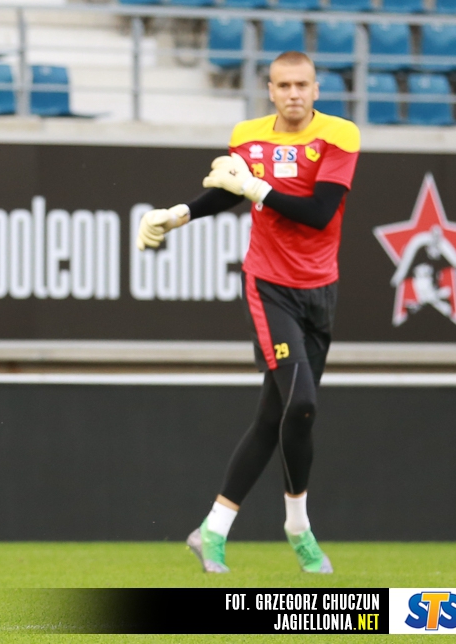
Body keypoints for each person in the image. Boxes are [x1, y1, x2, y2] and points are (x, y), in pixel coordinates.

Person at [137, 51, 360, 574]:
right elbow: (228, 193)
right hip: (269, 285)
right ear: (270, 90)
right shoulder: (248, 136)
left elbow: (319, 212)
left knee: (276, 417)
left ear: (316, 89)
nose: (293, 94)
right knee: (300, 403)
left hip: (321, 288)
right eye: (283, 85)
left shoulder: (340, 136)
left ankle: (212, 530)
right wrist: (179, 214)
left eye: (302, 84)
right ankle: (299, 528)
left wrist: (257, 187)